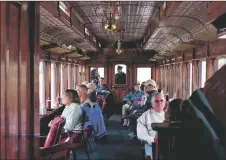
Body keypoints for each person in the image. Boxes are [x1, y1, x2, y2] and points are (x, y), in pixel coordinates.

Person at [137, 92, 166, 160]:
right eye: (156, 101)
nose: (159, 103)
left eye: (161, 100)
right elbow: (141, 133)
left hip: (168, 141)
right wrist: (152, 140)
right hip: (152, 142)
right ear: (152, 103)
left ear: (165, 102)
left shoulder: (169, 114)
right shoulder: (145, 115)